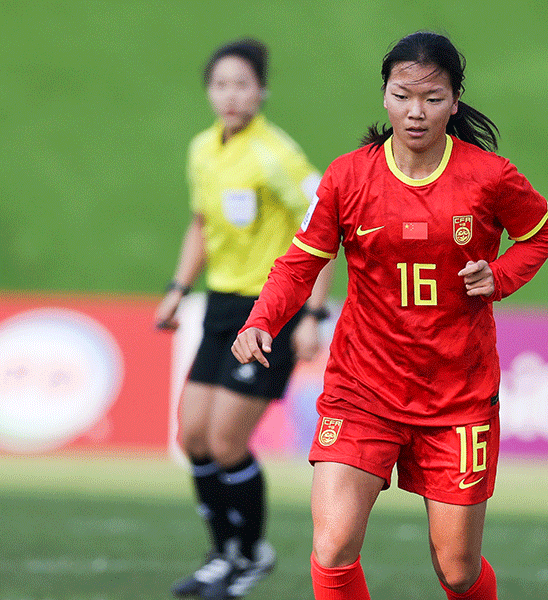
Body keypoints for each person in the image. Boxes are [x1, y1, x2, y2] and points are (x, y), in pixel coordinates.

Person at [232, 30, 548, 600]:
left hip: (457, 394)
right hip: (363, 389)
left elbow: (543, 235)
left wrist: (499, 277)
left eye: (433, 98)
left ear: (455, 102)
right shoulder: (348, 176)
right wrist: (261, 321)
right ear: (385, 96)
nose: (416, 111)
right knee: (332, 548)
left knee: (457, 571)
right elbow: (298, 262)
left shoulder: (490, 176)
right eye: (403, 95)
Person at [155, 38, 334, 600]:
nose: (231, 95)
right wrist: (179, 289)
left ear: (262, 91)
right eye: (220, 84)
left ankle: (252, 554)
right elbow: (200, 223)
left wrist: (313, 313)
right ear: (209, 90)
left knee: (228, 442)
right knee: (193, 438)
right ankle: (222, 553)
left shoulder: (275, 154)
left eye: (243, 84)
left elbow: (325, 222)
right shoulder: (202, 150)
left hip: (270, 311)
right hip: (219, 307)